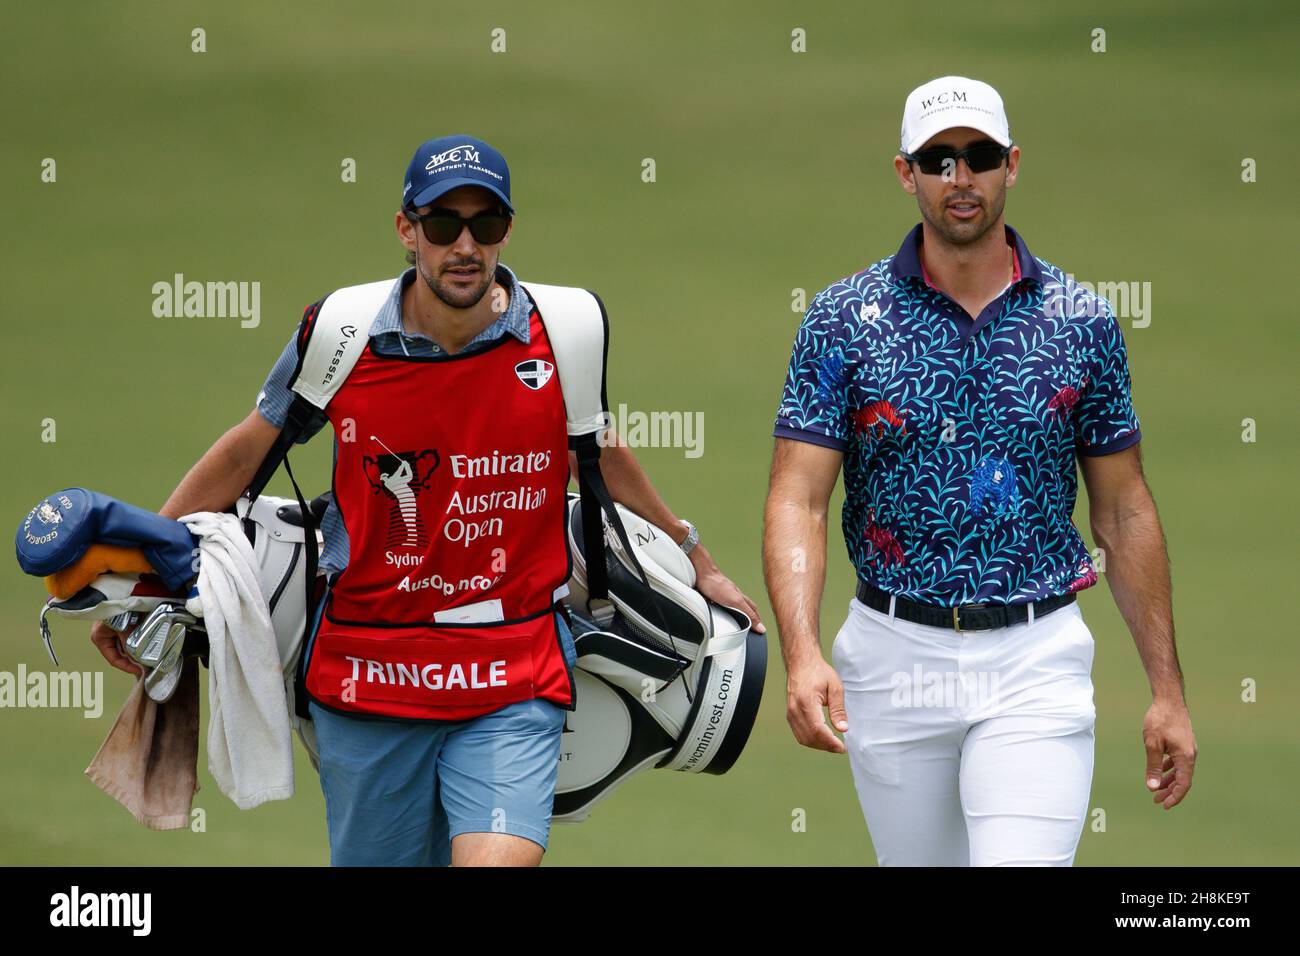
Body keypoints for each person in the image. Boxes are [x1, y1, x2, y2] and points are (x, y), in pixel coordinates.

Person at [90, 134, 762, 867]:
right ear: (407, 231)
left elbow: (598, 455)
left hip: (513, 672)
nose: (465, 245)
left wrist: (698, 558)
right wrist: (145, 579)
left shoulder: (563, 332)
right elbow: (248, 449)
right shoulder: (340, 336)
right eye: (443, 225)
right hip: (370, 678)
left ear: (509, 229)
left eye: (486, 224)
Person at [762, 78, 1195, 866]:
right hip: (892, 657)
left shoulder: (1082, 320)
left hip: (1035, 656)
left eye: (980, 156)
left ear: (1011, 164)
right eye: (938, 159)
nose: (960, 178)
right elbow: (800, 498)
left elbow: (1124, 512)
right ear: (907, 173)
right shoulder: (841, 319)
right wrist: (802, 653)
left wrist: (1166, 689)